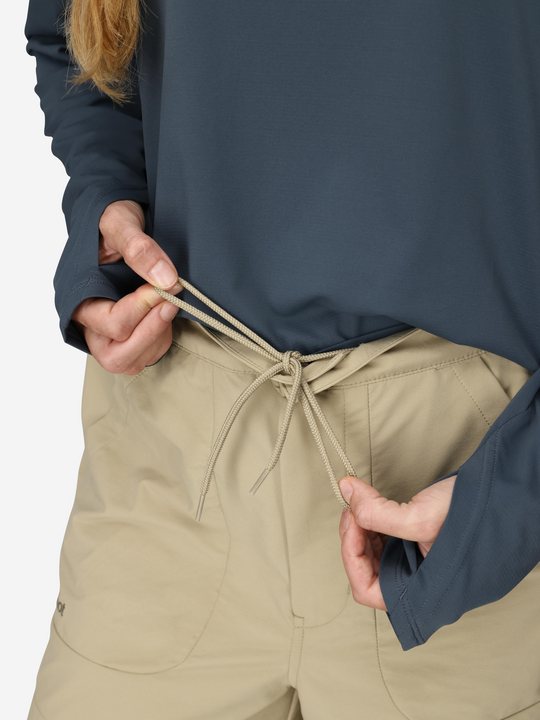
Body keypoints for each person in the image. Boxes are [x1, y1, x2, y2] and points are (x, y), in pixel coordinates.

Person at [24, 1, 540, 718]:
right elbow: (75, 41)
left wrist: (514, 496)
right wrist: (108, 207)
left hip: (453, 483)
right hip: (169, 456)